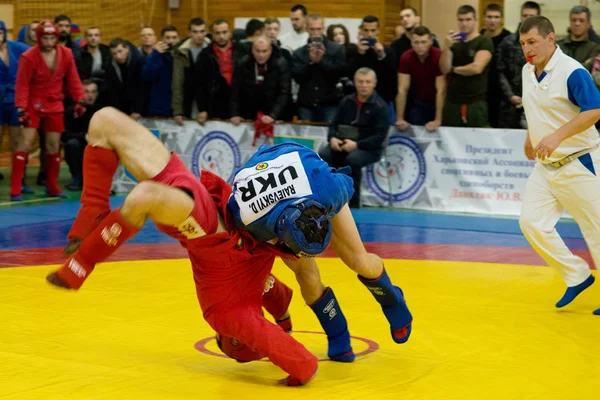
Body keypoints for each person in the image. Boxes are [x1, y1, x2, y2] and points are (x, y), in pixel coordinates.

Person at [44, 106, 356, 385]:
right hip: (208, 205)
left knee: (142, 194)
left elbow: (282, 315)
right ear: (232, 340)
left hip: (204, 227)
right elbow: (304, 363)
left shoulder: (238, 310)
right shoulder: (230, 316)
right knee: (103, 120)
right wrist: (285, 338)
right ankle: (93, 209)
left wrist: (283, 325)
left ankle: (83, 263)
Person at [518, 16, 600, 315]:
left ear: (551, 39)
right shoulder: (528, 70)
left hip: (580, 162)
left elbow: (595, 111)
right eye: (523, 43)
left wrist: (556, 136)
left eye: (533, 42)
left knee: (597, 231)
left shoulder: (572, 71)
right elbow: (535, 108)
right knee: (531, 223)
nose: (527, 49)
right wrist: (531, 136)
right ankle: (577, 275)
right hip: (545, 165)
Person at [10, 21, 85, 201]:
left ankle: (52, 185)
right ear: (39, 38)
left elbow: (73, 79)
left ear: (56, 37)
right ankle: (15, 187)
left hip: (54, 104)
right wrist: (20, 108)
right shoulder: (29, 56)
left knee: (53, 145)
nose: (49, 41)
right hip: (32, 104)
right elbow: (22, 84)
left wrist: (79, 100)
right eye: (45, 38)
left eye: (52, 38)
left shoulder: (66, 54)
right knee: (25, 144)